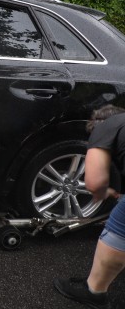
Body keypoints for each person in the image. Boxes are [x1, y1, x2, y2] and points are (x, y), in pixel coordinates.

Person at [55, 104, 125, 309]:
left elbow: (94, 183)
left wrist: (103, 192)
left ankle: (94, 292)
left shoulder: (106, 127)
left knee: (119, 229)